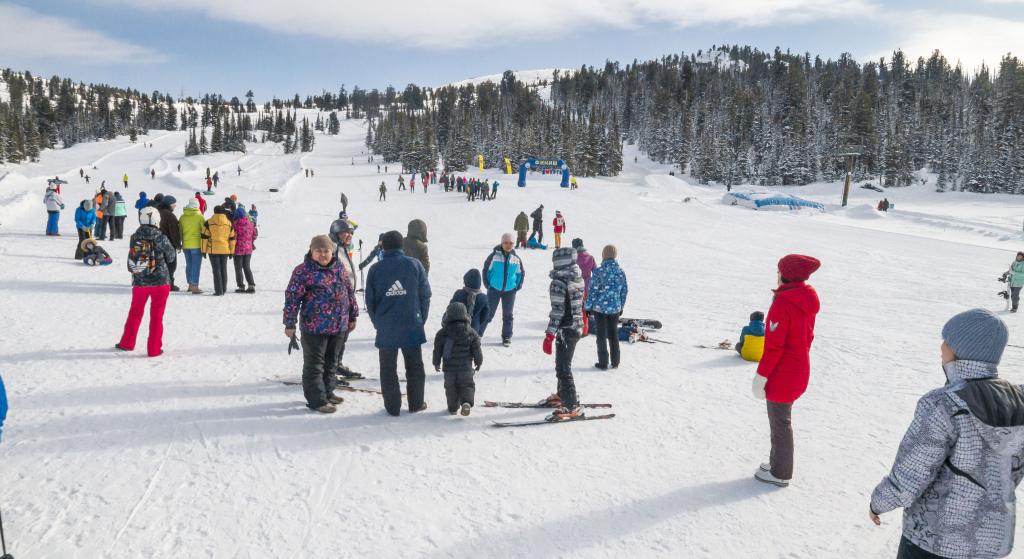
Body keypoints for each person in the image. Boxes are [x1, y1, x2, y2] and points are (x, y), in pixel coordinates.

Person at [870, 309, 1024, 559]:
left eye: (947, 341)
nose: (942, 347)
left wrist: (879, 502)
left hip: (934, 540)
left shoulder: (944, 404)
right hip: (992, 541)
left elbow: (911, 474)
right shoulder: (1019, 401)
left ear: (959, 350)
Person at [752, 254, 821, 487]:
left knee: (780, 423)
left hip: (784, 374)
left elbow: (774, 347)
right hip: (799, 369)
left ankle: (780, 472)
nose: (777, 274)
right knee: (780, 420)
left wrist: (761, 377)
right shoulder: (805, 298)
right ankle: (776, 462)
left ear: (786, 275)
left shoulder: (784, 303)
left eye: (779, 270)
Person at [283, 235, 358, 414]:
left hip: (339, 325)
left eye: (326, 251)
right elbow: (292, 298)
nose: (323, 255)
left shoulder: (339, 267)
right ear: (312, 251)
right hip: (314, 327)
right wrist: (290, 323)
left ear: (332, 251)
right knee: (315, 365)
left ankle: (328, 392)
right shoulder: (303, 271)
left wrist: (353, 315)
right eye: (318, 251)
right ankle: (317, 400)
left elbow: (348, 291)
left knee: (331, 363)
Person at [365, 230, 431, 416]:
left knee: (387, 368)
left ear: (383, 246)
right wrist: (420, 318)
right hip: (411, 322)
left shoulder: (376, 269)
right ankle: (416, 403)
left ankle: (392, 407)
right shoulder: (414, 264)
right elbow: (425, 294)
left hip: (386, 325)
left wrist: (378, 322)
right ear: (401, 245)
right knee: (415, 366)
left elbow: (370, 301)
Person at [116, 206, 176, 357]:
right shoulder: (161, 237)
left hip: (140, 282)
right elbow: (171, 256)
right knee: (157, 316)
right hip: (161, 282)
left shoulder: (135, 237)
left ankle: (127, 343)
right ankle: (154, 349)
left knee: (135, 313)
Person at [541, 247, 586, 420]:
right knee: (562, 363)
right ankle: (562, 395)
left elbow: (557, 311)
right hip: (575, 327)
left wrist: (549, 334)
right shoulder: (578, 277)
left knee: (563, 367)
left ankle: (571, 405)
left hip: (565, 329)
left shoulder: (558, 282)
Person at [433, 302, 483, 416]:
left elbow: (437, 350)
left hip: (449, 370)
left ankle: (452, 407)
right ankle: (466, 402)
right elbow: (477, 349)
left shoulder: (442, 333)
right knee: (467, 385)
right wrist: (478, 362)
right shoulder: (471, 333)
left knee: (450, 388)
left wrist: (436, 363)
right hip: (465, 368)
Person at [326, 218, 361, 379]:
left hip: (345, 302)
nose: (350, 235)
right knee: (333, 340)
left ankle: (336, 365)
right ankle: (329, 371)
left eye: (351, 233)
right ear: (336, 233)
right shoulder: (330, 250)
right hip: (333, 304)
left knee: (342, 337)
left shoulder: (342, 248)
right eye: (346, 232)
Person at [587, 245, 628, 370]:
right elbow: (624, 291)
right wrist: (621, 306)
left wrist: (588, 307)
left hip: (599, 309)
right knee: (613, 334)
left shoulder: (599, 272)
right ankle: (615, 361)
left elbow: (592, 291)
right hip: (615, 308)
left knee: (601, 335)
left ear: (604, 255)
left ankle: (603, 362)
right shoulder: (620, 272)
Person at [201, 205, 237, 296]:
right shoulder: (229, 223)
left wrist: (203, 250)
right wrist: (232, 251)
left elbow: (204, 238)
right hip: (225, 249)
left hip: (213, 250)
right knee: (223, 269)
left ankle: (218, 290)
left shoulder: (208, 223)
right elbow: (232, 238)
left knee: (216, 270)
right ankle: (224, 289)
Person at [450, 269, 490, 335]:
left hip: (456, 328)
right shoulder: (483, 297)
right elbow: (485, 315)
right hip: (474, 330)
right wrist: (478, 323)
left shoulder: (458, 293)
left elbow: (450, 309)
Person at [178, 198, 205, 294]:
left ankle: (190, 284)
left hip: (186, 245)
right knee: (196, 266)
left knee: (189, 265)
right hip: (196, 245)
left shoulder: (182, 217)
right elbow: (204, 231)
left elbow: (180, 232)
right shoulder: (199, 216)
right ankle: (194, 286)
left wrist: (180, 243)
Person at [157, 196, 182, 291]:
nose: (175, 206)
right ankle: (169, 284)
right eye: (174, 204)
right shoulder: (170, 216)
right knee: (171, 265)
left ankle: (159, 283)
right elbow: (174, 232)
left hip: (156, 244)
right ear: (169, 204)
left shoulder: (156, 212)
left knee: (159, 264)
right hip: (169, 244)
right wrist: (178, 245)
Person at [232, 207, 257, 293]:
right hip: (248, 249)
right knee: (246, 267)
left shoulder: (235, 224)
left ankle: (241, 286)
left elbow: (232, 236)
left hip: (238, 249)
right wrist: (250, 241)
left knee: (238, 268)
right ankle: (251, 285)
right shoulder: (250, 223)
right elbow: (254, 235)